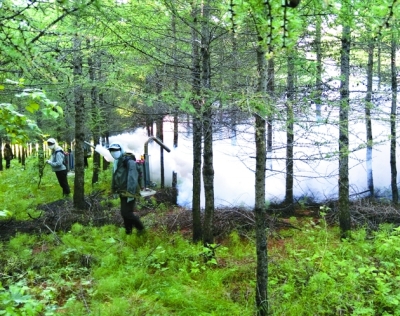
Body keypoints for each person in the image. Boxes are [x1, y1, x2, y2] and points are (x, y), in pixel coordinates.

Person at [108, 143, 145, 235]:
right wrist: (114, 190)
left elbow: (132, 177)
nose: (114, 152)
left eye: (116, 150)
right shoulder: (117, 161)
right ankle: (128, 232)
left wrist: (130, 193)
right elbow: (115, 176)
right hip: (122, 191)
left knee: (126, 213)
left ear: (121, 150)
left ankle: (141, 229)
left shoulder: (129, 161)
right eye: (111, 150)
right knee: (125, 213)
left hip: (129, 191)